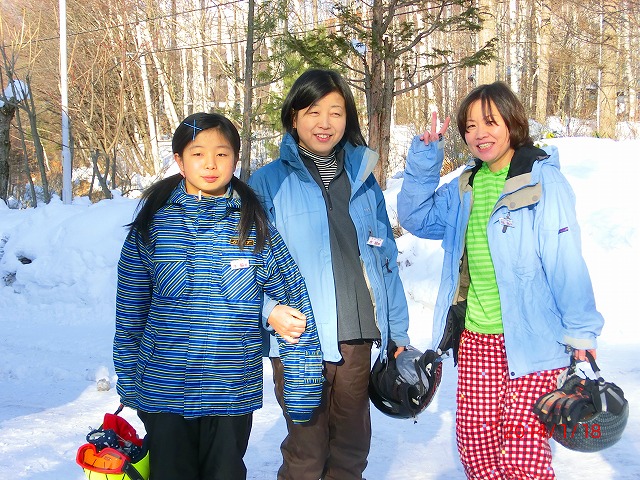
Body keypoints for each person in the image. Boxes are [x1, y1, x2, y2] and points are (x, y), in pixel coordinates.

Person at [397, 81, 604, 479]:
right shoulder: (466, 186)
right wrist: (425, 158)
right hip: (477, 340)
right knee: (476, 448)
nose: (479, 133)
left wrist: (581, 333)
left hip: (533, 340)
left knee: (523, 455)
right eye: (470, 126)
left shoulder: (542, 181)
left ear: (512, 121)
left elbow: (565, 261)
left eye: (490, 122)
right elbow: (415, 217)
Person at [113, 112, 323, 480]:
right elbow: (130, 311)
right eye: (198, 154)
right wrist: (129, 379)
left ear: (236, 160)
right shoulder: (154, 226)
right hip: (163, 389)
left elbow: (294, 303)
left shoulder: (254, 227)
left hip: (231, 391)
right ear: (180, 161)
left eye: (222, 154)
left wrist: (302, 384)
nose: (210, 164)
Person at [248, 69, 410, 480]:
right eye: (313, 111)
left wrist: (397, 334)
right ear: (294, 117)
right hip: (298, 336)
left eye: (336, 112)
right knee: (307, 451)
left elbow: (385, 260)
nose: (325, 122)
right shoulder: (267, 182)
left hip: (356, 334)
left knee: (351, 448)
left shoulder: (363, 179)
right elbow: (244, 266)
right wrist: (269, 311)